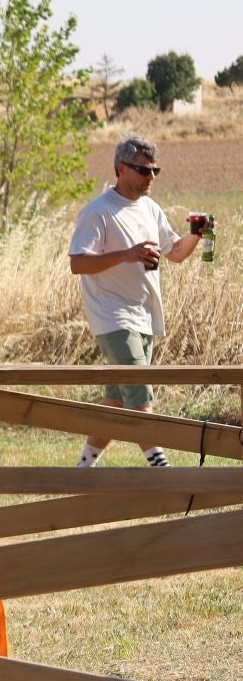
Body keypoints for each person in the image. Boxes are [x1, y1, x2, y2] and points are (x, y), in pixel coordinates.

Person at [68, 135, 205, 468]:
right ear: (121, 169)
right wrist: (127, 255)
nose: (151, 177)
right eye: (144, 170)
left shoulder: (150, 208)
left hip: (144, 316)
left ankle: (82, 470)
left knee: (116, 400)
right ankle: (163, 472)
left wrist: (197, 234)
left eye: (155, 170)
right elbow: (77, 262)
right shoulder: (99, 211)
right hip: (113, 318)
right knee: (140, 397)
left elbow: (175, 254)